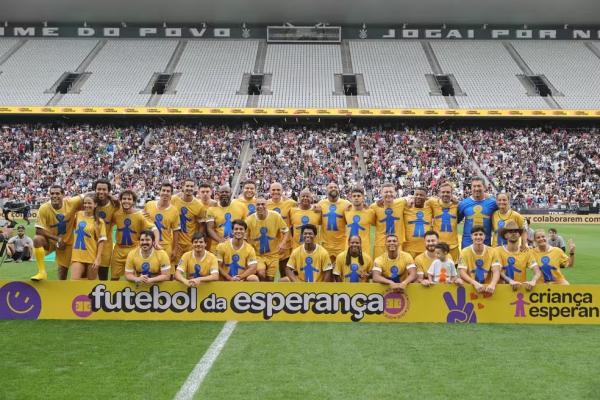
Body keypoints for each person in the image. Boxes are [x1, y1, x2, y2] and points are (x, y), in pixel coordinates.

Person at [31, 185, 83, 280]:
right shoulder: (44, 208)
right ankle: (42, 272)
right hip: (50, 241)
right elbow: (38, 230)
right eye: (52, 193)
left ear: (63, 195)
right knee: (37, 239)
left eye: (57, 193)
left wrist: (109, 196)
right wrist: (57, 239)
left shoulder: (71, 202)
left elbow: (88, 195)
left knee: (62, 273)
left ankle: (61, 292)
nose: (54, 195)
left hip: (66, 243)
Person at [110, 190, 158, 280]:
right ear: (120, 200)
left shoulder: (140, 215)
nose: (126, 201)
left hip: (134, 249)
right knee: (114, 278)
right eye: (124, 199)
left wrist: (156, 242)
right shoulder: (116, 214)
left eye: (129, 199)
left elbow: (154, 228)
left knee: (133, 278)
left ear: (133, 201)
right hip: (118, 250)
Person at [245, 197, 290, 281]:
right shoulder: (249, 219)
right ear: (255, 206)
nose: (260, 206)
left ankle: (267, 293)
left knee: (270, 278)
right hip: (258, 255)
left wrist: (282, 244)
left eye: (263, 204)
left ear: (267, 205)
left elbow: (286, 231)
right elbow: (244, 236)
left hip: (273, 254)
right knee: (261, 272)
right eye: (258, 204)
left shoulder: (275, 216)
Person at [496, 220, 541, 290]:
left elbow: (537, 271)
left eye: (516, 231)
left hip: (520, 289)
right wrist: (510, 281)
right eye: (510, 231)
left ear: (519, 235)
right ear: (505, 235)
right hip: (502, 290)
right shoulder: (498, 251)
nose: (513, 233)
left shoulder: (526, 251)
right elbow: (498, 271)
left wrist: (533, 281)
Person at [70, 194, 107, 280]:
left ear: (95, 205)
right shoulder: (78, 214)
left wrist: (98, 259)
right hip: (77, 256)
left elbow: (101, 242)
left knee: (90, 286)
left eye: (89, 203)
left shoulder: (99, 222)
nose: (86, 205)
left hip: (91, 257)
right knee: (73, 283)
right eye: (85, 203)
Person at [143, 182, 180, 265]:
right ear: (159, 192)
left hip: (165, 246)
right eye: (163, 190)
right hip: (149, 244)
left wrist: (174, 249)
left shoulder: (174, 211)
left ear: (171, 194)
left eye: (168, 191)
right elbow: (143, 223)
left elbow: (176, 232)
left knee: (167, 274)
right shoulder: (149, 205)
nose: (165, 193)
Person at [457, 226, 501, 294]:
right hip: (470, 287)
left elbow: (496, 271)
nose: (478, 237)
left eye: (481, 234)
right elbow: (462, 272)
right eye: (475, 234)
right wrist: (474, 283)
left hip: (487, 288)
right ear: (471, 236)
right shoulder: (464, 252)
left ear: (484, 236)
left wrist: (493, 284)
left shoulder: (493, 251)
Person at [266, 182, 297, 277]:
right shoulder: (265, 204)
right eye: (273, 190)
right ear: (269, 191)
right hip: (270, 245)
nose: (276, 192)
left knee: (286, 273)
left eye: (278, 190)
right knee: (268, 275)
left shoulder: (291, 203)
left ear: (282, 191)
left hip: (286, 245)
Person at [458, 177, 497, 248]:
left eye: (479, 186)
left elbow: (505, 212)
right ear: (471, 188)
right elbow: (455, 221)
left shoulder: (493, 203)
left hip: (485, 245)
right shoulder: (463, 203)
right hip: (467, 245)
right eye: (474, 186)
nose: (476, 189)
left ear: (484, 187)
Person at [206, 185, 247, 252]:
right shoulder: (211, 209)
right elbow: (209, 228)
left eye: (227, 192)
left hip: (236, 245)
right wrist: (220, 240)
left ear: (231, 193)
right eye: (222, 192)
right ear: (218, 194)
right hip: (217, 246)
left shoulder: (241, 206)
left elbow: (245, 226)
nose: (224, 194)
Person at [370, 182, 405, 258]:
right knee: (379, 267)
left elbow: (414, 198)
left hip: (397, 243)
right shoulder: (374, 207)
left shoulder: (402, 203)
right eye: (386, 192)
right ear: (381, 193)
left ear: (395, 193)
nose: (389, 194)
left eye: (391, 192)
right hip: (380, 244)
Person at [172, 179, 204, 261]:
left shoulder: (199, 205)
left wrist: (196, 239)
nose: (189, 188)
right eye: (187, 186)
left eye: (191, 186)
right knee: (175, 268)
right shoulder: (174, 200)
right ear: (183, 187)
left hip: (189, 242)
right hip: (175, 241)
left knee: (189, 268)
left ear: (195, 188)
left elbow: (202, 225)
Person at [92, 179, 119, 281]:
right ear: (95, 190)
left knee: (103, 276)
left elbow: (124, 209)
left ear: (108, 191)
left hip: (106, 245)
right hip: (90, 244)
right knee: (89, 275)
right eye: (99, 189)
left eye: (104, 189)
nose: (101, 191)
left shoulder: (114, 205)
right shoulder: (90, 203)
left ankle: (102, 296)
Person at [318, 182, 351, 262]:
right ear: (326, 190)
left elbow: (350, 221)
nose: (333, 189)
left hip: (341, 245)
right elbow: (318, 221)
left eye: (335, 187)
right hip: (326, 245)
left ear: (338, 190)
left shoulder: (346, 204)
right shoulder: (321, 204)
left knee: (340, 271)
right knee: (326, 271)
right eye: (331, 187)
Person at [430, 181, 460, 261]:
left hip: (453, 246)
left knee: (453, 270)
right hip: (438, 245)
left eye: (448, 192)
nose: (445, 194)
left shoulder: (457, 205)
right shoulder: (433, 203)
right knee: (438, 271)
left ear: (451, 193)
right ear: (439, 193)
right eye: (443, 192)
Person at [344, 187, 375, 256]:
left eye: (358, 196)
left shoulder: (370, 212)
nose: (356, 198)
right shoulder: (346, 211)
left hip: (365, 250)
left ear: (363, 197)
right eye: (354, 196)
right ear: (350, 198)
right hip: (349, 248)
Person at [403, 187, 433, 258]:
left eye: (421, 195)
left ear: (426, 197)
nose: (418, 197)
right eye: (416, 194)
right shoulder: (406, 208)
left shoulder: (429, 208)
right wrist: (406, 199)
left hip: (425, 249)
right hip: (408, 249)